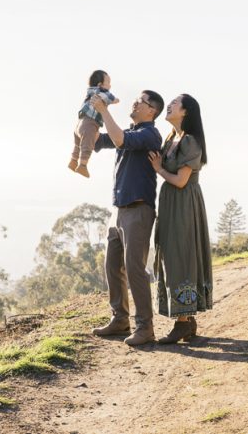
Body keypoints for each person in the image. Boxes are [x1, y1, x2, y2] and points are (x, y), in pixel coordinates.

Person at [89, 89, 165, 346]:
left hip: (138, 210)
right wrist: (87, 115)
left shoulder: (150, 134)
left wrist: (104, 110)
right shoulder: (130, 132)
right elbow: (96, 140)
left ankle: (145, 327)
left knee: (134, 269)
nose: (134, 102)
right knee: (112, 265)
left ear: (151, 110)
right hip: (119, 210)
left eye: (140, 101)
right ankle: (120, 319)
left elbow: (120, 140)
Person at [148, 94, 211, 343]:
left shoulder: (190, 141)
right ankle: (188, 319)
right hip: (171, 203)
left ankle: (182, 322)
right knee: (171, 254)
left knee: (181, 256)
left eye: (175, 103)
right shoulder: (171, 138)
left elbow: (181, 181)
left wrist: (159, 169)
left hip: (184, 204)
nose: (170, 105)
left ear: (185, 111)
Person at [69, 70, 119, 178]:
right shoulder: (102, 92)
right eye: (108, 82)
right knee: (87, 145)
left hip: (80, 123)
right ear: (100, 85)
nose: (110, 85)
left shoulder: (90, 92)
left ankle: (73, 161)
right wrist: (115, 100)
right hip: (90, 124)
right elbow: (110, 98)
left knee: (78, 145)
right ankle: (82, 166)